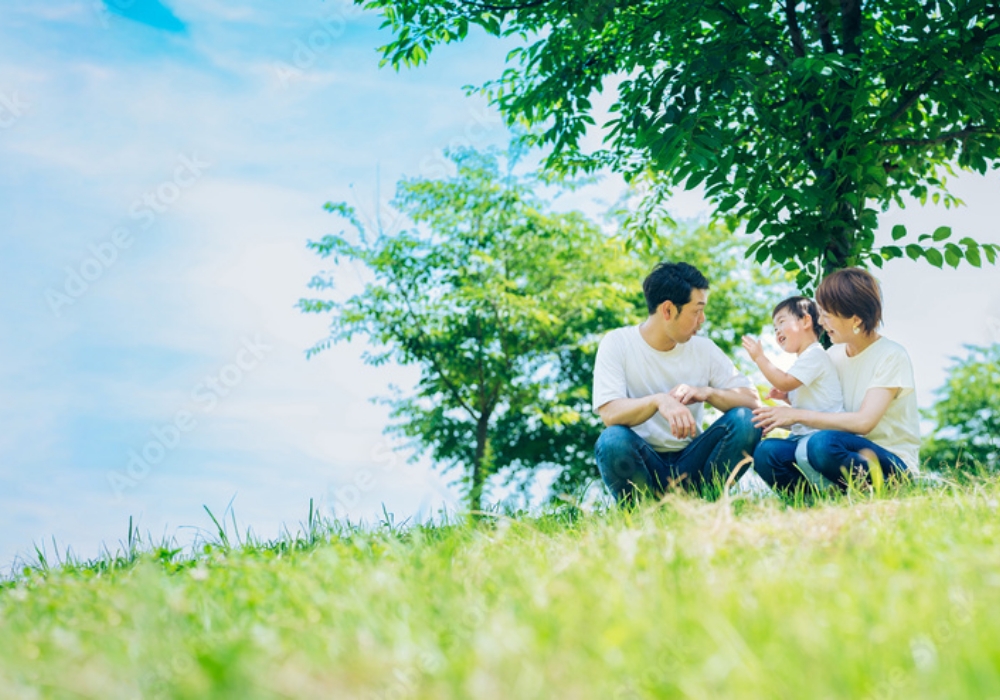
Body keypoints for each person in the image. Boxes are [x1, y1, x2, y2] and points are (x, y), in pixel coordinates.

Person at [592, 262, 762, 503]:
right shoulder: (617, 343)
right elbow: (609, 413)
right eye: (696, 311)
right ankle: (642, 512)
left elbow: (754, 402)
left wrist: (707, 393)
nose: (702, 320)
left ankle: (709, 503)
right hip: (644, 462)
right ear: (668, 310)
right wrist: (659, 401)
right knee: (612, 440)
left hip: (694, 463)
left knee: (746, 421)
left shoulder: (705, 349)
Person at [752, 268, 920, 490]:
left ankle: (890, 487)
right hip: (837, 449)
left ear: (856, 320)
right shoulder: (832, 355)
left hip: (888, 460)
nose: (820, 322)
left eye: (827, 315)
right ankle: (815, 500)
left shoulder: (891, 356)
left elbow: (863, 423)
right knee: (767, 452)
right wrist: (790, 402)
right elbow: (828, 408)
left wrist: (795, 415)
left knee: (821, 444)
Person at [742, 296, 844, 487]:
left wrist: (759, 358)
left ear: (806, 321)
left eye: (781, 322)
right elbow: (804, 411)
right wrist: (786, 401)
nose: (777, 331)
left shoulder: (815, 355)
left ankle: (832, 492)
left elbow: (784, 381)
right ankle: (804, 499)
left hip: (823, 439)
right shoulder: (803, 362)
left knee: (807, 449)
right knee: (765, 451)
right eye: (774, 328)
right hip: (802, 438)